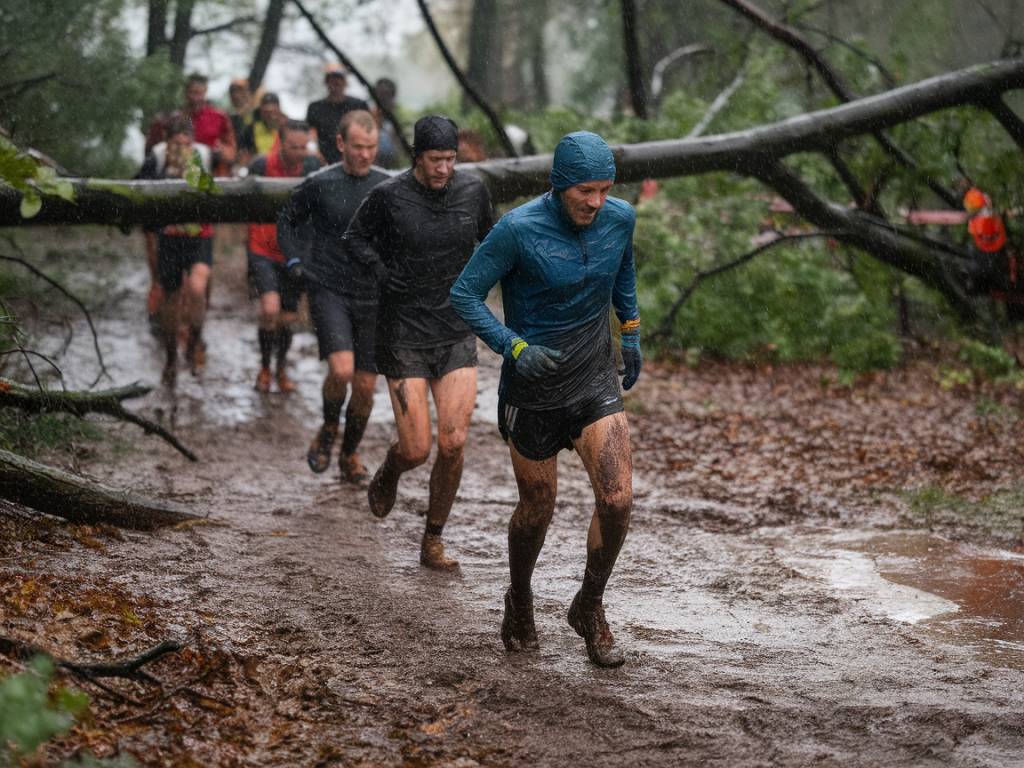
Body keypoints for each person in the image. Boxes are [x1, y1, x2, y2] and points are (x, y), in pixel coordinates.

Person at [450, 131, 642, 668]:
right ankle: (520, 596)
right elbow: (464, 294)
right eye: (585, 190)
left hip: (592, 379)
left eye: (605, 190)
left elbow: (622, 269)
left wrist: (630, 329)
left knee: (619, 500)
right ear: (558, 186)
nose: (596, 202)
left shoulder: (619, 219)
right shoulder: (516, 230)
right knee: (538, 508)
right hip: (532, 391)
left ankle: (590, 604)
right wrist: (512, 347)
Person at [343, 115, 494, 570]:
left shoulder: (474, 192)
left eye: (450, 160)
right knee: (416, 450)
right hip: (403, 331)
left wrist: (485, 284)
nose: (443, 169)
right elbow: (354, 239)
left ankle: (432, 539)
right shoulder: (388, 196)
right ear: (416, 157)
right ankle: (391, 469)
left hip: (454, 329)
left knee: (453, 443)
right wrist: (382, 272)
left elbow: (495, 241)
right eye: (435, 160)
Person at [277, 110, 389, 482]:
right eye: (358, 147)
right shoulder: (320, 183)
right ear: (341, 144)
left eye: (371, 148)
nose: (365, 155)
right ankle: (328, 429)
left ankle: (350, 453)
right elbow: (286, 220)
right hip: (329, 288)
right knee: (341, 370)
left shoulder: (387, 187)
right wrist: (294, 260)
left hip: (372, 295)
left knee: (365, 386)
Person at [138, 119, 216, 386]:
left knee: (196, 288)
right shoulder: (157, 157)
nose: (183, 147)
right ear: (168, 140)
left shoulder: (205, 155)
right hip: (169, 237)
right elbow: (138, 189)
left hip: (200, 237)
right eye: (177, 142)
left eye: (187, 141)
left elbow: (223, 187)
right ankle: (171, 357)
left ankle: (194, 342)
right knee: (170, 299)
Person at [246, 120, 322, 394]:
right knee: (269, 309)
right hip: (263, 247)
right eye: (294, 147)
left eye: (304, 147)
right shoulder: (260, 165)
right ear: (280, 141)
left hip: (297, 252)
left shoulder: (314, 166)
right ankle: (265, 367)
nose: (300, 152)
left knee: (289, 317)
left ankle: (281, 367)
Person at [306, 65, 369, 165]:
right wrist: (314, 152)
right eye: (332, 79)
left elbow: (367, 130)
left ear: (345, 82)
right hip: (323, 160)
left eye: (340, 79)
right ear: (326, 82)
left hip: (353, 157)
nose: (336, 83)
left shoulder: (359, 105)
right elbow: (311, 132)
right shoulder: (315, 107)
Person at [239, 92, 287, 165]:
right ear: (261, 111)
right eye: (266, 112)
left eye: (273, 112)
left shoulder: (287, 128)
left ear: (279, 110)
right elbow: (244, 154)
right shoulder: (250, 129)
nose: (271, 116)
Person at [370, 77, 401, 169]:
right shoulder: (370, 116)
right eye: (380, 95)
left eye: (387, 95)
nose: (384, 99)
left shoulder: (398, 118)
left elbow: (400, 151)